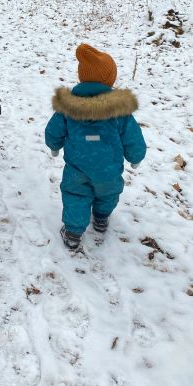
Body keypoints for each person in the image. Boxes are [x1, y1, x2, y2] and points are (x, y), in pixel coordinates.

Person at [45, 44, 146, 251]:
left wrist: (54, 146)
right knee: (108, 194)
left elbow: (54, 130)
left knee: (76, 196)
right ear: (109, 80)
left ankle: (73, 233)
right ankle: (101, 218)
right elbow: (132, 137)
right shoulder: (120, 110)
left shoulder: (68, 107)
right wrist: (136, 156)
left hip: (77, 169)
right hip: (108, 170)